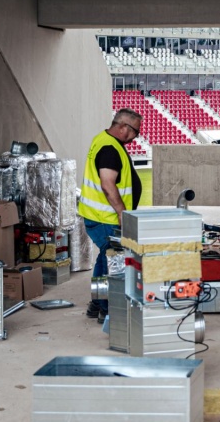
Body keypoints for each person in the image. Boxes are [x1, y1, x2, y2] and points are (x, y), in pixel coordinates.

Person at [81, 108, 143, 322]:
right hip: (105, 218)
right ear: (124, 128)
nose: (136, 137)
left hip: (100, 215)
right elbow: (108, 184)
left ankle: (97, 303)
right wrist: (121, 212)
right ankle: (107, 308)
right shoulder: (109, 148)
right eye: (136, 131)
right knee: (113, 260)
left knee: (104, 257)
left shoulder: (103, 139)